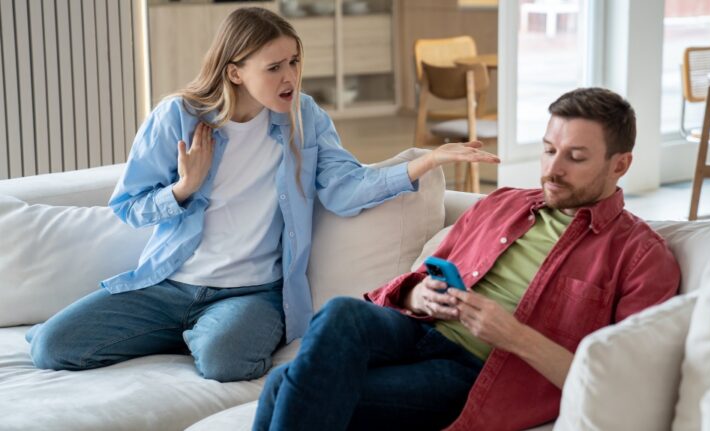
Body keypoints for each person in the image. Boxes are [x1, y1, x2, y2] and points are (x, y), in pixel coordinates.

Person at [25, 7, 498, 383]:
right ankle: (185, 330)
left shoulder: (304, 118)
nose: (290, 77)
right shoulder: (178, 118)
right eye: (274, 67)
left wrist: (428, 161)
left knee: (226, 362)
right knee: (52, 347)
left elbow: (344, 189)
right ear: (235, 72)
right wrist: (184, 188)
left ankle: (204, 333)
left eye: (294, 62)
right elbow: (127, 207)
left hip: (251, 294)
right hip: (169, 285)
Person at [253, 87, 682, 430]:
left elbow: (623, 384)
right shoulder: (505, 204)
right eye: (549, 149)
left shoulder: (640, 256)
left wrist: (511, 334)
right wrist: (418, 295)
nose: (553, 169)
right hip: (418, 329)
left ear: (620, 165)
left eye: (576, 157)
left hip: (477, 371)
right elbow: (422, 274)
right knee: (341, 312)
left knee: (281, 386)